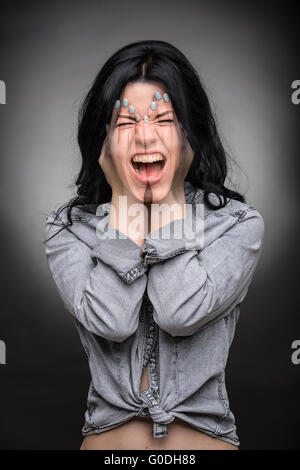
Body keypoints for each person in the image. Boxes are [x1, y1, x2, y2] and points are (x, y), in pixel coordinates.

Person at [43, 40, 265, 450]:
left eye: (163, 119)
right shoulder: (69, 229)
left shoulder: (235, 224)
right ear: (103, 140)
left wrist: (167, 200)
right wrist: (125, 203)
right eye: (126, 123)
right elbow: (112, 321)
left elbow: (180, 313)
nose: (145, 137)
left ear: (188, 133)